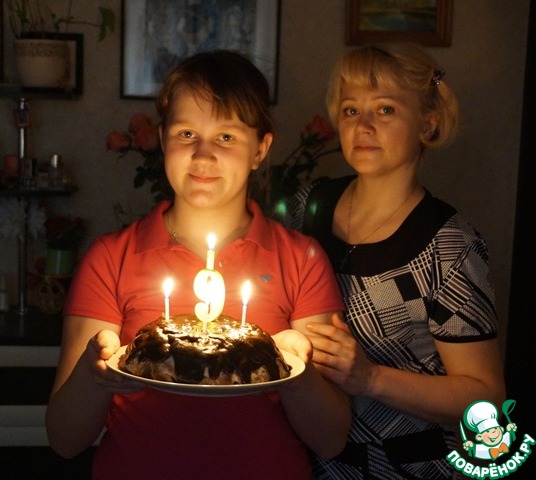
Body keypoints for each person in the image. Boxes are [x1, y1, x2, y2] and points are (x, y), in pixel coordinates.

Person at [46, 50, 351, 480]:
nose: (203, 156)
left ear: (260, 149)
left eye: (226, 137)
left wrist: (294, 370)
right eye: (187, 133)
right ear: (163, 138)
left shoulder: (301, 259)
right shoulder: (111, 257)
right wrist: (94, 374)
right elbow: (64, 439)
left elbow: (331, 439)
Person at [288, 43, 506, 479]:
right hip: (307, 460)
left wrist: (371, 379)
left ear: (428, 123)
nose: (363, 126)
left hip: (408, 467)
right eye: (351, 110)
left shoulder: (450, 246)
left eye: (385, 110)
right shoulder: (308, 208)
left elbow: (486, 399)